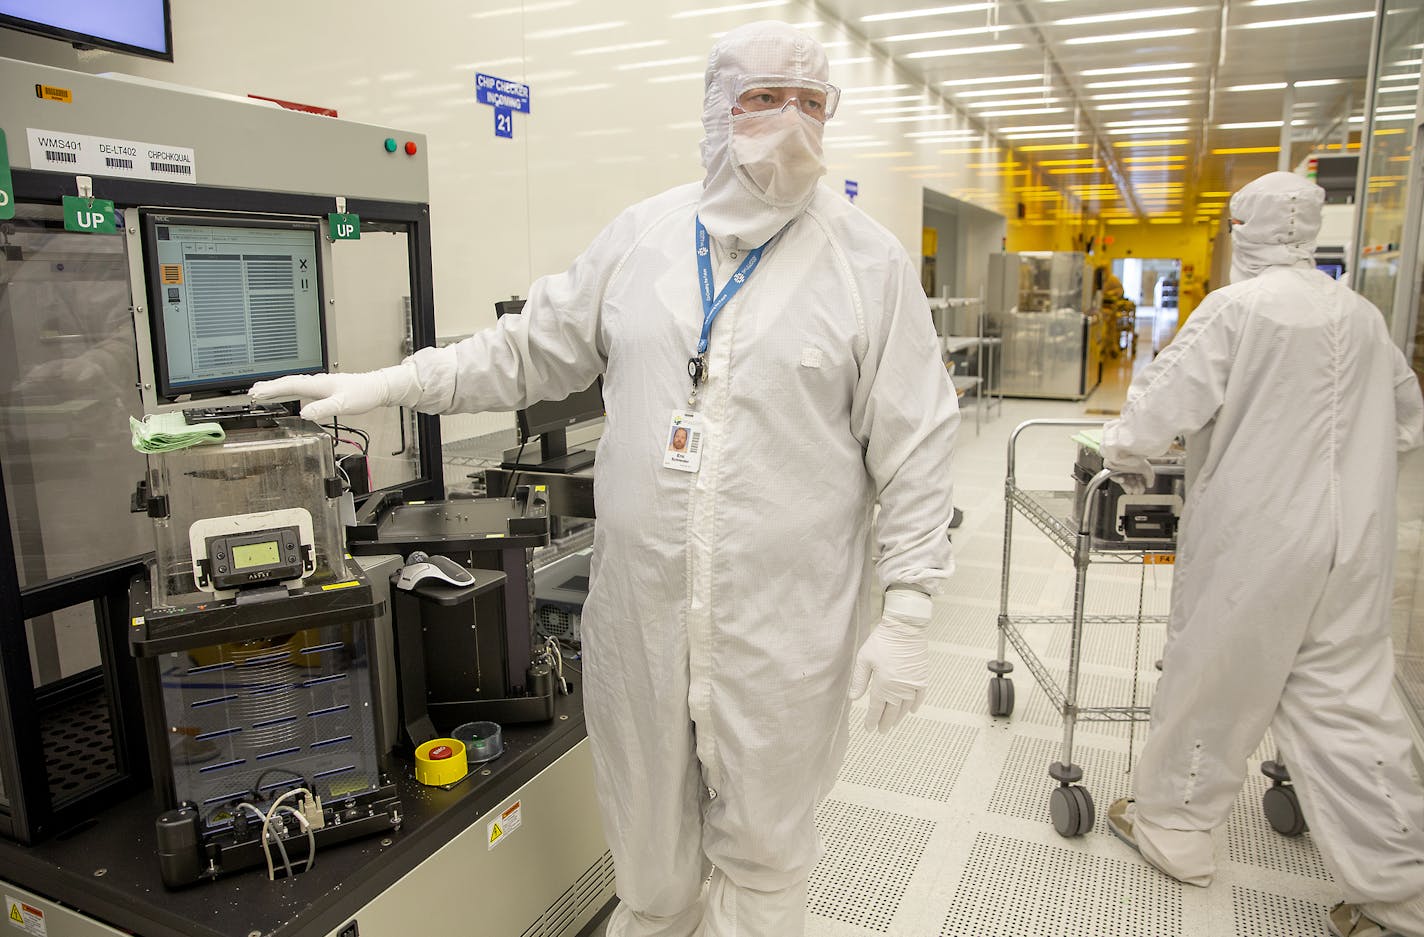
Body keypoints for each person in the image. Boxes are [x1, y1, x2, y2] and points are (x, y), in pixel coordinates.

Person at [251, 21, 957, 937]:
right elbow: (524, 352)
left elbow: (917, 442)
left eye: (811, 103)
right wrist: (390, 384)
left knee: (768, 872)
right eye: (762, 100)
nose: (789, 125)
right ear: (715, 110)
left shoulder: (869, 267)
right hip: (640, 628)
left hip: (786, 634)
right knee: (652, 874)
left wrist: (907, 612)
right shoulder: (645, 240)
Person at [1099, 171, 1424, 937]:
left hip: (1259, 539)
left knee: (1216, 677)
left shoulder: (1238, 310)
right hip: (1357, 545)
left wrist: (1121, 449)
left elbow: (1157, 411)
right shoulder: (1363, 316)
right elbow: (1407, 421)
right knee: (1352, 700)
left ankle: (1176, 830)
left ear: (1243, 231)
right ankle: (1401, 890)